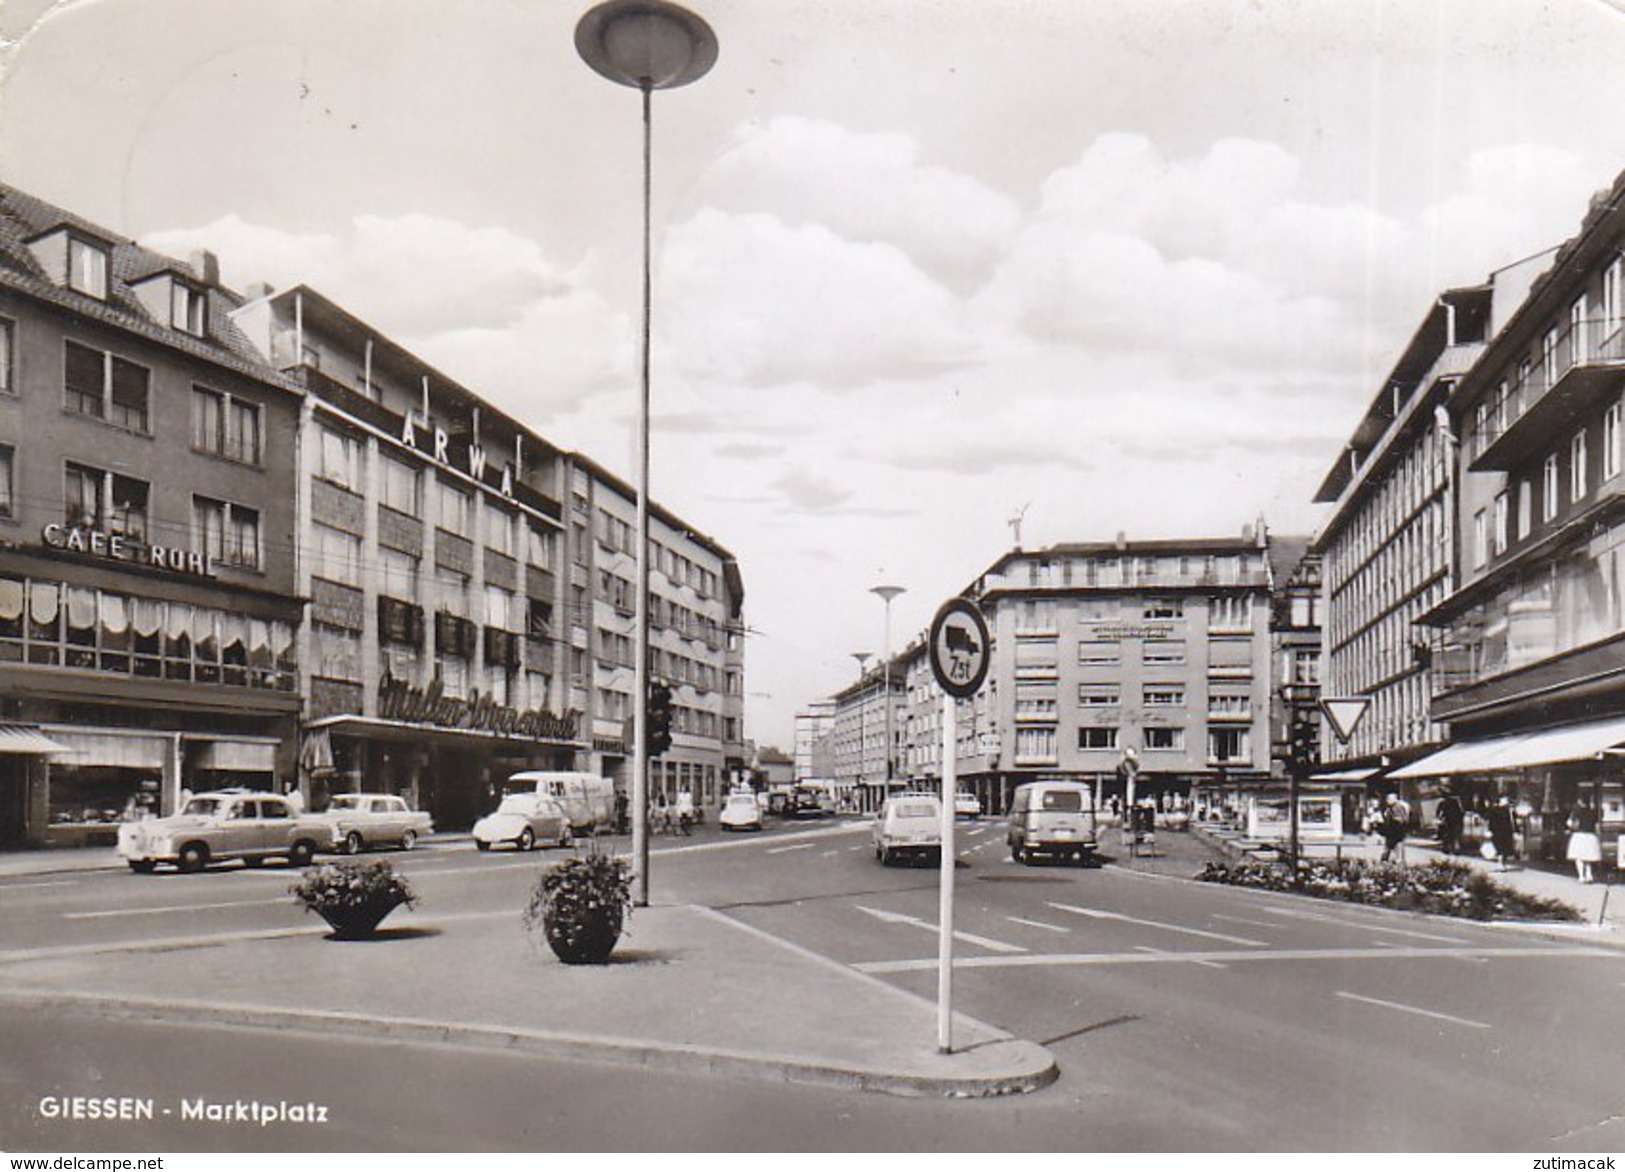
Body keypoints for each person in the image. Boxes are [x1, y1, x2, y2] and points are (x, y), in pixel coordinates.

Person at [1566, 797, 1602, 884]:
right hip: (1591, 836)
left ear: (1581, 802)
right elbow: (1597, 826)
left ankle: (1581, 876)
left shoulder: (1576, 812)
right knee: (1587, 858)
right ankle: (1589, 875)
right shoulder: (1592, 812)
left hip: (1579, 835)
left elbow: (1570, 823)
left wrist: (1571, 828)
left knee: (1579, 857)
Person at [1487, 795, 1518, 870]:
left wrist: (1516, 830)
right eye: (1505, 799)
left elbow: (1514, 820)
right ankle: (1500, 864)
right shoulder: (1494, 810)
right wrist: (1490, 830)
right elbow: (1491, 821)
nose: (1506, 801)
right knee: (1500, 848)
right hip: (1497, 831)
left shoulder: (1509, 810)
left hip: (1507, 832)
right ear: (1500, 801)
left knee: (1506, 849)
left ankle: (1502, 863)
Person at [1378, 792, 1410, 863]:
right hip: (1391, 832)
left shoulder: (1398, 807)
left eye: (1388, 799)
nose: (1387, 800)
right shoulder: (1390, 807)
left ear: (1394, 799)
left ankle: (1397, 862)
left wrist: (1395, 819)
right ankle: (1386, 861)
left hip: (1397, 833)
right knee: (1388, 848)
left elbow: (1402, 820)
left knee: (1396, 848)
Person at [1436, 791, 1465, 856]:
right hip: (1454, 821)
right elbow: (1461, 811)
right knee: (1454, 835)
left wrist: (1440, 818)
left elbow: (1438, 812)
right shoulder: (1455, 801)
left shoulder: (1443, 802)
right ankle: (1454, 849)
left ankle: (1447, 848)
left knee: (1448, 835)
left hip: (1449, 821)